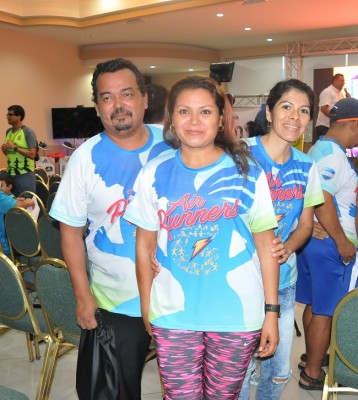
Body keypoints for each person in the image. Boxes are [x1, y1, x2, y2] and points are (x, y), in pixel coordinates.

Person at [124, 75, 280, 399]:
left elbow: (266, 247)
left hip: (237, 316)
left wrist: (271, 314)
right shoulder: (154, 172)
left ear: (221, 118)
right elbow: (144, 244)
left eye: (205, 112)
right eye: (184, 112)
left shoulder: (247, 172)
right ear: (171, 119)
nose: (194, 121)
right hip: (173, 313)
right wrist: (145, 304)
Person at [49, 58, 171, 400]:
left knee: (186, 388)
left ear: (145, 99)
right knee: (112, 392)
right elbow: (70, 231)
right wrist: (82, 296)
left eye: (127, 93)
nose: (118, 105)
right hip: (117, 300)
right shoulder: (84, 159)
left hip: (179, 293)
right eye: (107, 97)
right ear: (98, 107)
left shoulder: (175, 143)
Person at [238, 79, 324, 400]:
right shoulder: (241, 156)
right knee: (242, 369)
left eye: (303, 111)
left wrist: (287, 247)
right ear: (269, 112)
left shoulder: (307, 166)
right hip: (242, 280)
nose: (294, 116)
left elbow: (305, 224)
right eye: (286, 106)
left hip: (284, 281)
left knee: (278, 371)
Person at [296, 97, 358, 391]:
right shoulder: (333, 154)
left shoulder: (318, 147)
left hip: (314, 242)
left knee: (314, 304)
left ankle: (311, 356)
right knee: (327, 309)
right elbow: (324, 197)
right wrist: (342, 241)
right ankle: (312, 373)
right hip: (332, 243)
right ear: (353, 125)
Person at [1, 105, 38, 196]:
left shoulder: (28, 132)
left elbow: (33, 155)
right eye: (7, 114)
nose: (7, 116)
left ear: (19, 117)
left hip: (25, 175)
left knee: (27, 204)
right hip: (10, 174)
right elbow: (9, 154)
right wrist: (4, 149)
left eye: (10, 114)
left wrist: (15, 147)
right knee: (13, 205)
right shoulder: (8, 131)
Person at [0, 171, 35, 257]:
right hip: (6, 247)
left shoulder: (6, 197)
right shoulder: (1, 197)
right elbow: (19, 206)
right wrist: (28, 202)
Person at [314, 73, 349, 143]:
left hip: (334, 127)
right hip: (325, 126)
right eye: (341, 81)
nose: (343, 83)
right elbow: (324, 109)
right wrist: (335, 118)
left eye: (344, 81)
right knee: (325, 149)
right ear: (335, 81)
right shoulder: (327, 92)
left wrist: (347, 100)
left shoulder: (340, 94)